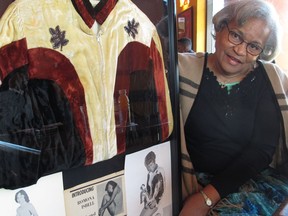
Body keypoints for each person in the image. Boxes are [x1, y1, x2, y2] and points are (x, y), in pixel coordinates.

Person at [178, 0, 288, 215]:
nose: (239, 50)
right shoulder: (181, 69)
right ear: (220, 28)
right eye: (236, 35)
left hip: (250, 180)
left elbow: (259, 152)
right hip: (189, 177)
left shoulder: (268, 80)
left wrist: (206, 198)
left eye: (253, 46)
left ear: (261, 52)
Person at [140, 151, 165, 216]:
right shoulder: (149, 174)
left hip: (156, 202)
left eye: (149, 166)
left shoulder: (159, 172)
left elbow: (161, 190)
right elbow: (149, 189)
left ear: (153, 163)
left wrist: (156, 201)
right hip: (150, 201)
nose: (148, 169)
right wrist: (146, 199)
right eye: (147, 167)